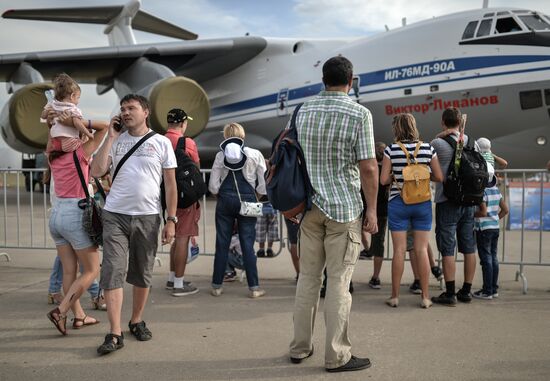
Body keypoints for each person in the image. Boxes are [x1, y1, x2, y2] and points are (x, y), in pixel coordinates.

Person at [289, 56, 378, 373]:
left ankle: (300, 348)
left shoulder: (302, 111)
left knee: (307, 281)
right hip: (343, 210)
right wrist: (372, 213)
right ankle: (337, 355)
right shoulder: (359, 114)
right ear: (351, 81)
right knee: (339, 283)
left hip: (309, 208)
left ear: (322, 80)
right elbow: (368, 168)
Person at [90, 94, 177, 355]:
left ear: (145, 112)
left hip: (148, 216)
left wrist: (171, 219)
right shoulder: (116, 140)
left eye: (132, 108)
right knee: (113, 271)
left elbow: (171, 185)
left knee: (142, 272)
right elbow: (96, 171)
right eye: (123, 109)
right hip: (115, 214)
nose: (126, 112)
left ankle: (136, 320)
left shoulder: (161, 142)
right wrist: (111, 138)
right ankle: (115, 332)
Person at [45, 111, 108, 335]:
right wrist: (80, 122)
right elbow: (105, 126)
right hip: (75, 212)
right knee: (91, 270)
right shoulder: (80, 153)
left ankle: (79, 316)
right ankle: (60, 311)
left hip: (57, 215)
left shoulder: (52, 154)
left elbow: (53, 136)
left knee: (69, 272)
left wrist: (61, 122)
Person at [380, 113, 443, 308]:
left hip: (398, 203)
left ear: (396, 129)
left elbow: (383, 180)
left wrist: (398, 176)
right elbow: (439, 176)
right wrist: (421, 176)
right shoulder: (428, 148)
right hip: (422, 203)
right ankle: (425, 297)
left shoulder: (391, 150)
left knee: (399, 250)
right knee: (422, 249)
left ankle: (395, 296)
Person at [208, 123, 267, 298]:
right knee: (247, 244)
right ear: (243, 135)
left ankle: (217, 285)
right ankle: (254, 287)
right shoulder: (255, 154)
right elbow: (263, 185)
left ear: (226, 136)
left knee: (222, 243)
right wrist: (255, 196)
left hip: (225, 200)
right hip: (248, 200)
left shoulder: (220, 155)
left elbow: (212, 186)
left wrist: (220, 195)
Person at [430, 107, 478, 306]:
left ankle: (449, 293)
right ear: (460, 122)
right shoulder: (470, 141)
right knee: (469, 247)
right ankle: (466, 291)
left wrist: (440, 135)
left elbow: (426, 156)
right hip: (468, 200)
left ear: (443, 122)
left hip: (446, 199)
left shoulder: (438, 143)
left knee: (448, 248)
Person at [163, 108, 201, 297]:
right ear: (183, 123)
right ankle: (178, 284)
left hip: (167, 198)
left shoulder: (160, 140)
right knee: (183, 238)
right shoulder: (187, 143)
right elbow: (196, 168)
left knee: (175, 236)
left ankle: (172, 278)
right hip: (185, 197)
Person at [473, 154, 509, 300]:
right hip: (494, 228)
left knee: (486, 259)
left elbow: (483, 211)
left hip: (483, 229)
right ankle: (493, 288)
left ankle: (487, 290)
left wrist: (470, 216)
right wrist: (495, 219)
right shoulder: (496, 190)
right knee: (493, 258)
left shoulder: (482, 192)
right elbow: (505, 210)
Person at [42, 73, 94, 156]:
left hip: (55, 142)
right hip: (69, 142)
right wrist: (88, 133)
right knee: (85, 144)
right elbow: (77, 123)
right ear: (72, 96)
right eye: (78, 98)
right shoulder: (73, 109)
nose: (78, 101)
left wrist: (47, 113)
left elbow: (43, 116)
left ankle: (50, 154)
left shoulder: (53, 104)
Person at [366, 142, 390, 289]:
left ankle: (347, 280)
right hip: (381, 212)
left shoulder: (370, 171)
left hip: (364, 209)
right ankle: (376, 277)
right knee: (379, 244)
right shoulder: (386, 174)